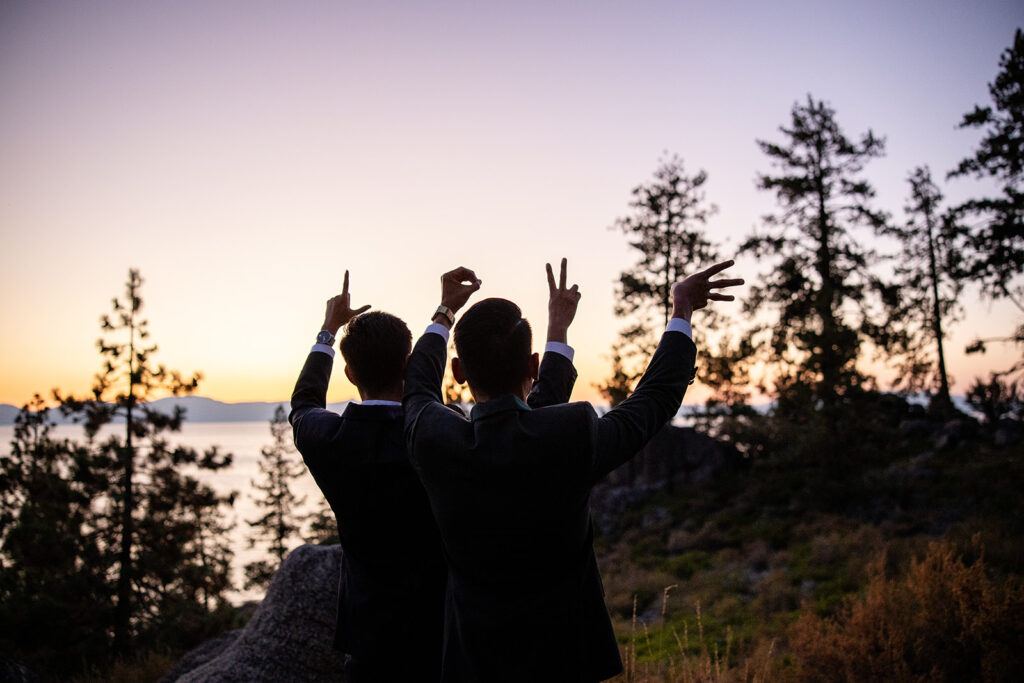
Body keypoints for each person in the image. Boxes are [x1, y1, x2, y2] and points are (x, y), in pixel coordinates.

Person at [403, 259, 743, 682]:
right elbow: (651, 401)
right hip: (566, 660)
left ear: (456, 373)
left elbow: (417, 385)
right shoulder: (570, 436)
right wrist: (681, 311)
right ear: (532, 366)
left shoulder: (434, 438)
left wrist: (444, 312)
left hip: (474, 663)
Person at [289, 267, 581, 682]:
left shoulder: (327, 439)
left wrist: (327, 332)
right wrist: (555, 329)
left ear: (350, 374)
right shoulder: (444, 434)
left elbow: (302, 404)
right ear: (412, 366)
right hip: (450, 635)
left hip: (370, 640)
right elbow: (536, 413)